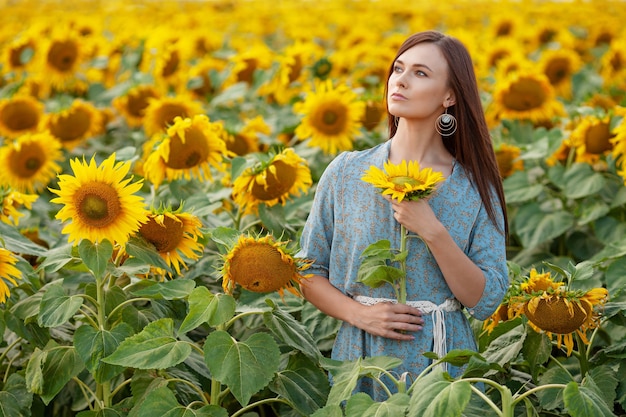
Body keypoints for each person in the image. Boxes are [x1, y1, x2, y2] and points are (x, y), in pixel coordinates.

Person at [297, 30, 509, 399]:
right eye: (399, 69)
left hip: (444, 366)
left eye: (421, 73)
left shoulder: (474, 188)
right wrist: (358, 314)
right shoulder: (346, 172)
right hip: (363, 360)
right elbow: (308, 271)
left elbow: (485, 299)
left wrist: (433, 232)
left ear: (450, 96)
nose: (401, 80)